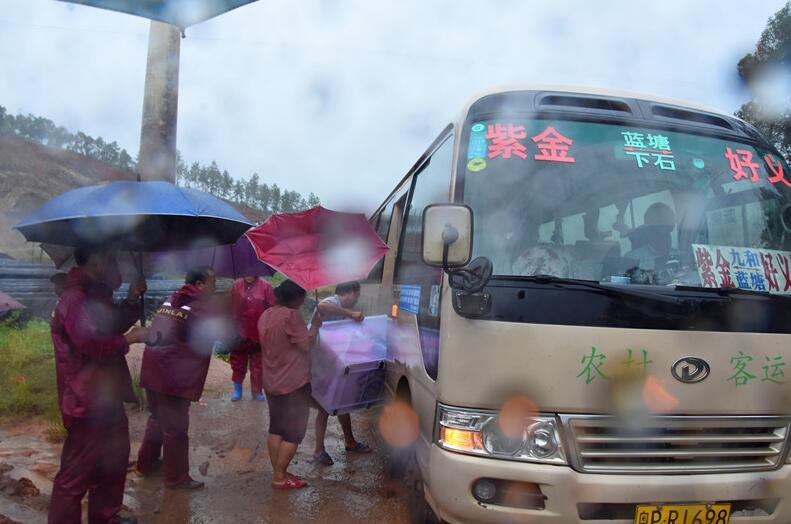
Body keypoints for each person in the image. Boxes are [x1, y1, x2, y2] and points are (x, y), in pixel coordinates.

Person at [48, 246, 148, 524]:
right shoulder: (75, 299)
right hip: (85, 398)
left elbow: (110, 324)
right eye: (111, 258)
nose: (115, 264)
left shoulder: (94, 294)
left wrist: (130, 298)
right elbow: (92, 342)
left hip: (106, 395)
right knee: (76, 473)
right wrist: (131, 339)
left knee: (113, 461)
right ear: (97, 261)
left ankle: (106, 517)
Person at [136, 266, 219, 490]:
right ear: (199, 285)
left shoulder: (169, 299)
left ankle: (146, 464)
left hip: (152, 369)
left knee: (157, 419)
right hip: (172, 376)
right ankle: (176, 478)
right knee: (176, 429)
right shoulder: (200, 307)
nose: (216, 286)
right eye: (213, 282)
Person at [258, 280, 321, 490]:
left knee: (276, 427)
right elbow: (305, 345)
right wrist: (315, 327)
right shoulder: (291, 315)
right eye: (302, 297)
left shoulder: (266, 314)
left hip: (271, 381)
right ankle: (279, 477)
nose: (303, 301)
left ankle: (280, 472)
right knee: (293, 433)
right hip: (293, 384)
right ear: (295, 298)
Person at [312, 281, 372, 466]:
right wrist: (350, 313)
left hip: (333, 362)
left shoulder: (339, 307)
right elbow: (321, 306)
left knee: (342, 401)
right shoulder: (333, 302)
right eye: (357, 296)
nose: (356, 300)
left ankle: (350, 441)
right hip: (320, 365)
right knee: (324, 406)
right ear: (351, 293)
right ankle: (318, 450)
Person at [229, 275, 275, 401]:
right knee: (238, 362)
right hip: (239, 332)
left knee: (258, 364)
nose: (248, 275)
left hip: (258, 333)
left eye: (252, 272)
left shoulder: (266, 287)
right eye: (245, 272)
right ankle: (237, 390)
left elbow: (272, 309)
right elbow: (230, 307)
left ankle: (257, 391)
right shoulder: (236, 286)